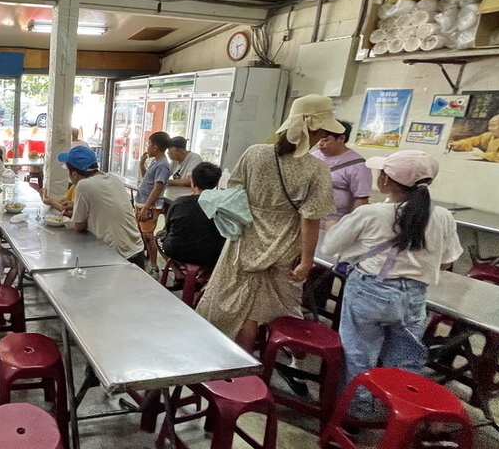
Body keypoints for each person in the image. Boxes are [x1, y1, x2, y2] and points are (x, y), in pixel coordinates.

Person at [196, 94, 339, 353]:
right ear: (314, 130)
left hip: (246, 239)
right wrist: (307, 260)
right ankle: (275, 358)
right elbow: (311, 218)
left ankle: (231, 361)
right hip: (285, 245)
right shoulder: (317, 169)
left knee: (236, 303)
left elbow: (235, 189)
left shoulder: (255, 153)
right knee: (269, 307)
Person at [322, 151, 462, 414]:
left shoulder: (371, 213)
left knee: (358, 355)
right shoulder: (443, 216)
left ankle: (355, 415)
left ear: (386, 180)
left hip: (369, 291)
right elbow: (447, 260)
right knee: (404, 360)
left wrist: (332, 224)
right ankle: (396, 414)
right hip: (415, 297)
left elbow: (331, 246)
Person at [60, 145, 146, 268]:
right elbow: (105, 207)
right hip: (136, 250)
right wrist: (77, 207)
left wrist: (74, 212)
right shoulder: (113, 178)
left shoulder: (83, 185)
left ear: (74, 174)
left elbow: (79, 226)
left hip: (115, 256)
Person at [159, 161, 227, 277]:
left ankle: (178, 273)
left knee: (159, 236)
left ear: (192, 182)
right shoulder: (223, 205)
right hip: (214, 254)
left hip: (179, 252)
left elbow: (169, 228)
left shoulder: (180, 203)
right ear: (216, 184)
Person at [313, 120, 371, 220]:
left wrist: (351, 224)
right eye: (318, 140)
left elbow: (361, 199)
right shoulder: (312, 157)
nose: (320, 144)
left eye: (325, 140)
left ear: (341, 138)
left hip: (335, 221)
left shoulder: (358, 165)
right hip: (309, 218)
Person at [136, 131, 173, 273]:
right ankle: (144, 259)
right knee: (141, 232)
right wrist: (141, 164)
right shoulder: (156, 162)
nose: (147, 146)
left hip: (150, 206)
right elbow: (148, 178)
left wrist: (146, 208)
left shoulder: (163, 165)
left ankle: (153, 264)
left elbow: (157, 188)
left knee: (148, 235)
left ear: (155, 147)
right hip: (143, 203)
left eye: (149, 144)